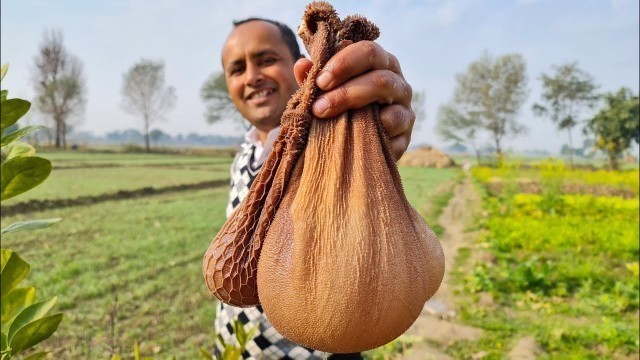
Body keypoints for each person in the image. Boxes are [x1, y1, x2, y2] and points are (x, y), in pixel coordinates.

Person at [215, 17, 416, 359]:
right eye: (237, 69)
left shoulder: (329, 151)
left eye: (266, 60)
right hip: (235, 345)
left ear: (301, 68)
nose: (251, 76)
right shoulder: (245, 151)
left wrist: (370, 123)